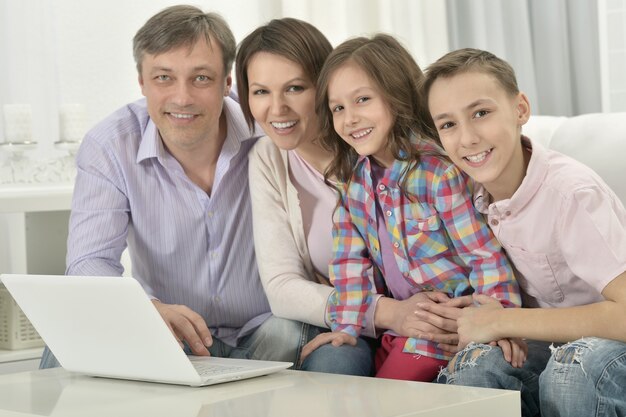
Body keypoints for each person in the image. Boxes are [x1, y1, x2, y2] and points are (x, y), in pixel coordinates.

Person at [40, 5, 305, 369]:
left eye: (200, 78)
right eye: (164, 78)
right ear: (142, 82)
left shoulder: (270, 129)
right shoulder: (111, 145)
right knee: (61, 342)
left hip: (271, 332)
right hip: (167, 337)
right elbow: (89, 263)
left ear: (227, 82)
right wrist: (147, 311)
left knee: (307, 336)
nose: (182, 98)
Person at [422, 47, 626, 417]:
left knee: (572, 368)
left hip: (609, 352)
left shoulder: (571, 194)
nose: (467, 138)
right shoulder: (464, 197)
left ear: (520, 110)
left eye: (481, 113)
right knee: (475, 363)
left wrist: (505, 320)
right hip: (546, 347)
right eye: (448, 124)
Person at [308, 34, 522, 382]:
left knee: (390, 395)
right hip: (399, 329)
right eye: (338, 108)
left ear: (395, 96)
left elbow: (483, 255)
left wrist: (499, 322)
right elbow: (349, 261)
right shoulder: (353, 182)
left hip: (447, 329)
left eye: (363, 100)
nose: (350, 119)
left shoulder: (438, 173)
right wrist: (346, 325)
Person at [234, 18, 374, 375]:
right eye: (261, 91)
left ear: (324, 86)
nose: (277, 108)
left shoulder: (369, 140)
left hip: (411, 314)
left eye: (295, 88)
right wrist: (385, 312)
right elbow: (282, 288)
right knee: (331, 362)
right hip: (349, 322)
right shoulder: (267, 158)